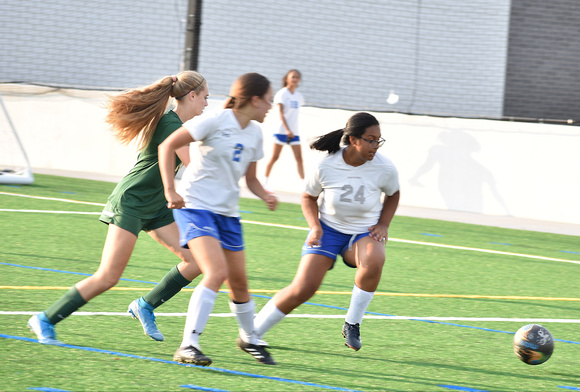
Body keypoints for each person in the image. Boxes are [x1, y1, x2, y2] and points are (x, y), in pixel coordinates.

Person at [27, 71, 209, 345]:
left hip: (156, 206)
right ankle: (45, 318)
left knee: (196, 261)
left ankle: (144, 305)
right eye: (205, 97)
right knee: (109, 276)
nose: (207, 104)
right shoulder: (172, 125)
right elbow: (195, 167)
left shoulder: (177, 125)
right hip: (132, 202)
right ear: (192, 96)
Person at [253, 112, 400, 352]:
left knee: (375, 259)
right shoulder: (326, 165)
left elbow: (393, 194)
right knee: (304, 288)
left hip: (363, 233)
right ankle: (253, 333)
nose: (376, 145)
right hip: (328, 232)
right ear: (353, 139)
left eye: (379, 140)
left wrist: (384, 223)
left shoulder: (384, 167)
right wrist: (315, 226)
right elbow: (308, 198)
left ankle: (352, 323)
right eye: (371, 139)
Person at [159, 72, 278, 366]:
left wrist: (265, 194)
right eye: (269, 101)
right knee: (215, 271)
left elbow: (251, 179)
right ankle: (188, 345)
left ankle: (249, 337)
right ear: (254, 99)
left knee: (239, 282)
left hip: (228, 214)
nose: (271, 107)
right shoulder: (214, 120)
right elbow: (167, 146)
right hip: (195, 207)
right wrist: (170, 189)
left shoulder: (254, 133)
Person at [263, 69, 305, 191]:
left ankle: (304, 186)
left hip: (294, 132)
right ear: (287, 78)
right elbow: (281, 114)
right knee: (275, 157)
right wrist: (287, 130)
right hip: (282, 131)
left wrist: (292, 131)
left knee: (299, 158)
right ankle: (265, 182)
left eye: (297, 77)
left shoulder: (299, 96)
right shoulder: (282, 94)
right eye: (292, 77)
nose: (295, 79)